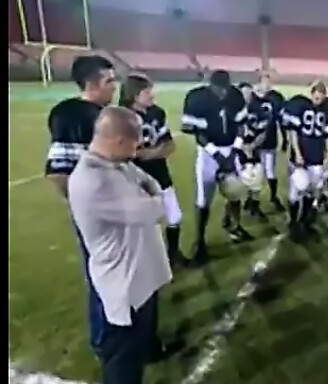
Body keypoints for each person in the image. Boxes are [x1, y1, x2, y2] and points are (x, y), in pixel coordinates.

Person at [68, 106, 173, 384]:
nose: (136, 150)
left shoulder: (118, 164)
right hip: (123, 288)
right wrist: (155, 200)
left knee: (136, 356)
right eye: (134, 143)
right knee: (122, 367)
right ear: (117, 141)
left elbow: (151, 183)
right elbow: (154, 208)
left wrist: (153, 197)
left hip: (140, 281)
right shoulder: (93, 180)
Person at [44, 54, 118, 357]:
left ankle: (122, 333)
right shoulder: (72, 115)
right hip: (98, 214)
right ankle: (105, 341)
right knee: (102, 277)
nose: (114, 86)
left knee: (122, 276)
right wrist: (85, 207)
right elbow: (58, 171)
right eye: (109, 80)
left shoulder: (108, 113)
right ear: (93, 82)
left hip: (120, 210)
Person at [118, 73, 191, 268]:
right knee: (143, 223)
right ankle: (146, 263)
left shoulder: (157, 112)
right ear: (134, 94)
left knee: (174, 216)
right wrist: (155, 152)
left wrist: (149, 153)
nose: (152, 95)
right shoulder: (122, 117)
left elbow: (170, 145)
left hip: (159, 173)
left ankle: (173, 255)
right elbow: (128, 152)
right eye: (147, 92)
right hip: (134, 179)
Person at [180, 70, 251, 264]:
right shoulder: (197, 98)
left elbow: (241, 126)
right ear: (211, 86)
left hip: (231, 148)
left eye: (225, 89)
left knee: (236, 192)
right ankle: (200, 240)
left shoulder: (235, 95)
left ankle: (234, 226)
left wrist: (235, 149)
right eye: (218, 90)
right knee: (203, 200)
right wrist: (218, 155)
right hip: (209, 152)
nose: (222, 94)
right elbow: (198, 133)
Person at [280, 81, 328, 240]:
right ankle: (292, 222)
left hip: (316, 156)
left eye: (321, 95)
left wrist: (327, 155)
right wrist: (297, 153)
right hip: (301, 156)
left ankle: (305, 220)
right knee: (295, 190)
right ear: (311, 93)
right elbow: (293, 133)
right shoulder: (300, 106)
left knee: (311, 189)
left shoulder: (327, 110)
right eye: (316, 94)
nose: (318, 98)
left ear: (324, 96)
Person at [237, 81, 270, 221]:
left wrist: (252, 146)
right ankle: (230, 216)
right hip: (236, 151)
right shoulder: (232, 110)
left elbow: (263, 133)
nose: (246, 96)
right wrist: (242, 148)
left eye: (249, 93)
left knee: (257, 179)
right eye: (243, 93)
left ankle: (254, 206)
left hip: (253, 149)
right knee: (235, 185)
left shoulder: (258, 110)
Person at [254, 72, 287, 211]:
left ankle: (273, 197)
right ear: (260, 82)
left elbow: (282, 120)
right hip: (253, 142)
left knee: (270, 171)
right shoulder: (253, 97)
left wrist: (285, 139)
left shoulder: (277, 98)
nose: (266, 84)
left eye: (269, 81)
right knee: (254, 173)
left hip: (270, 140)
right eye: (264, 81)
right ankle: (253, 201)